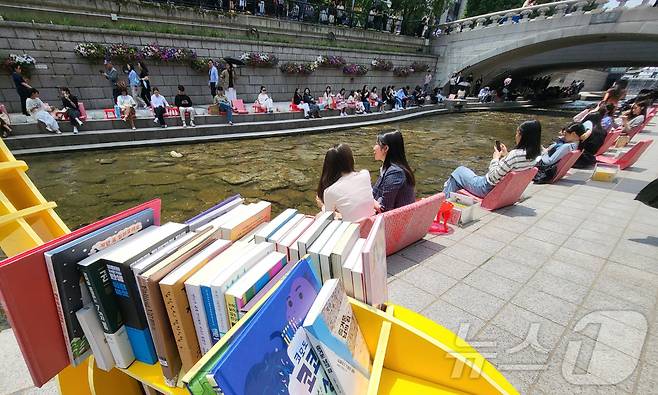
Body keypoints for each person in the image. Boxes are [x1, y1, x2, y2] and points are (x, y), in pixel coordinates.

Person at [442, 120, 542, 198]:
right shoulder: (534, 155)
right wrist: (506, 155)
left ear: (523, 136)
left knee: (458, 172)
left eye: (517, 133)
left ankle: (441, 204)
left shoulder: (515, 155)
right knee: (458, 178)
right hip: (506, 191)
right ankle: (446, 201)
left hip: (486, 188)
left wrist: (495, 158)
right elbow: (515, 167)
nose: (515, 136)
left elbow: (493, 177)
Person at [316, 144, 375, 221]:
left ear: (328, 166)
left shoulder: (329, 191)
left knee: (320, 216)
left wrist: (322, 206)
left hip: (351, 230)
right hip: (372, 224)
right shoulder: (365, 174)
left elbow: (329, 218)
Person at [372, 130, 416, 212]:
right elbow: (375, 192)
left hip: (396, 221)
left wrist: (367, 199)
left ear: (385, 148)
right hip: (395, 217)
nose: (374, 147)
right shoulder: (390, 168)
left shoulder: (395, 173)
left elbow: (384, 209)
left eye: (377, 144)